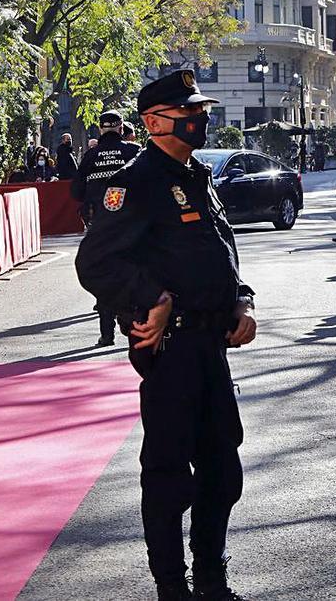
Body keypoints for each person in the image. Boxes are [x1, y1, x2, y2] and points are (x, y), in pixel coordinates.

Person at [75, 69, 256, 599]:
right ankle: (173, 589)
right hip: (171, 349)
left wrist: (242, 301)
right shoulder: (134, 182)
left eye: (201, 111)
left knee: (222, 470)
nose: (200, 119)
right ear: (154, 121)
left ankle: (211, 583)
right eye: (189, 112)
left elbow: (220, 254)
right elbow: (96, 262)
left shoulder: (197, 174)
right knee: (169, 476)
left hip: (211, 347)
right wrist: (151, 297)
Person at [72, 109, 143, 347]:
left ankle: (107, 333)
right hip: (134, 224)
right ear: (122, 129)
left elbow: (76, 192)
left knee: (104, 276)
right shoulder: (134, 151)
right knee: (141, 270)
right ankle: (141, 327)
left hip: (100, 225)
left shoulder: (91, 156)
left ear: (100, 130)